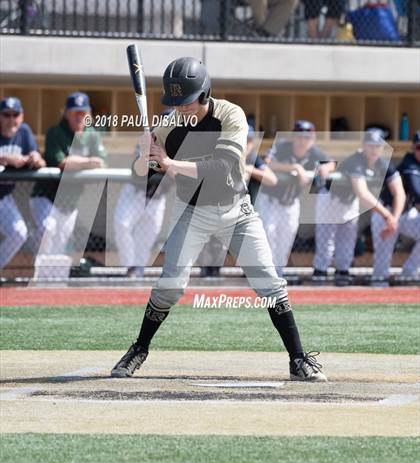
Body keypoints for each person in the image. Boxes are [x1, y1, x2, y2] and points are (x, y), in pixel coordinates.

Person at [111, 57, 326, 382]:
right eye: (175, 102)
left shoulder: (230, 114)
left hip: (235, 211)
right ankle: (139, 348)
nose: (181, 108)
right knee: (170, 286)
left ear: (204, 93)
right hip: (191, 212)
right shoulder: (169, 125)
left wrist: (169, 163)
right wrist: (145, 156)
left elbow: (222, 167)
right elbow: (139, 173)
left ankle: (298, 359)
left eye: (187, 101)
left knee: (269, 281)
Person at [313, 129, 406, 286]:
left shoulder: (383, 164)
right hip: (330, 199)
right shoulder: (355, 161)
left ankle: (342, 275)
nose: (374, 149)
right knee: (326, 245)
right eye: (370, 145)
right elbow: (362, 193)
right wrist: (387, 216)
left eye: (377, 146)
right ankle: (319, 277)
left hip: (350, 201)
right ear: (363, 145)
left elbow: (400, 192)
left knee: (347, 243)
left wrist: (394, 219)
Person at [31, 92, 107, 259]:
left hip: (70, 201)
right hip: (46, 197)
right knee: (47, 229)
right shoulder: (56, 132)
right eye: (75, 113)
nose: (79, 117)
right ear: (66, 114)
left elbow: (101, 162)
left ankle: (52, 280)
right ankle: (36, 275)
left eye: (83, 113)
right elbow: (62, 163)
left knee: (60, 244)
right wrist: (88, 162)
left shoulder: (92, 134)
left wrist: (76, 162)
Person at [199, 121, 277, 277]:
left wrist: (249, 169)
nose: (245, 144)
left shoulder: (253, 159)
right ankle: (209, 275)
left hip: (242, 212)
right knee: (213, 250)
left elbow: (272, 179)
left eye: (248, 140)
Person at [258, 120, 335, 277]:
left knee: (285, 242)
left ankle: (276, 274)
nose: (303, 141)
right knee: (268, 237)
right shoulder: (282, 146)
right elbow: (267, 162)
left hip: (291, 203)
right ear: (293, 136)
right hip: (270, 201)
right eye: (299, 137)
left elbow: (331, 162)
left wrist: (325, 167)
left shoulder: (313, 152)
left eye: (307, 138)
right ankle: (263, 273)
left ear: (312, 139)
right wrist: (295, 168)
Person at [0, 97, 45, 272]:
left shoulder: (24, 132)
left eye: (15, 114)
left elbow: (39, 160)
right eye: (6, 115)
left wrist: (35, 158)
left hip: (4, 197)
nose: (11, 119)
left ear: (22, 116)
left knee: (18, 233)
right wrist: (5, 159)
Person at [371, 131, 420, 284]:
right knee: (382, 265)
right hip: (386, 215)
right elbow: (417, 192)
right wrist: (391, 219)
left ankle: (410, 271)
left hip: (405, 214)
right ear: (413, 148)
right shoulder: (408, 163)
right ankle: (379, 288)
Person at [113, 165, 166, 279]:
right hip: (135, 193)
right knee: (122, 224)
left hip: (157, 199)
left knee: (147, 237)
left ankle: (137, 272)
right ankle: (129, 267)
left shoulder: (177, 150)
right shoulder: (149, 147)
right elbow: (139, 167)